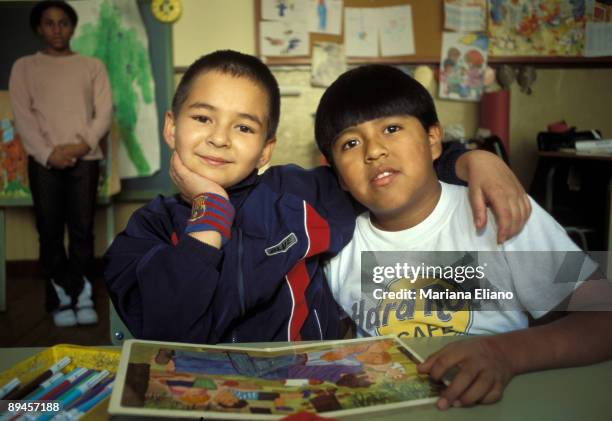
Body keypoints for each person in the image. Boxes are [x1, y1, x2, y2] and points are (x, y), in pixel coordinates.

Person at [104, 50, 529, 345]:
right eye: (202, 118)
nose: (219, 138)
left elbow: (384, 170)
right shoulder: (145, 231)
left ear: (265, 150)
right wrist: (209, 209)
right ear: (171, 127)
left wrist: (470, 159)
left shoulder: (300, 195)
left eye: (244, 127)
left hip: (302, 390)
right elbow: (166, 330)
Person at [315, 64, 612, 409]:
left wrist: (505, 353)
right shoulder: (337, 244)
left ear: (432, 139)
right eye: (350, 142)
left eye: (392, 128)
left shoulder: (498, 209)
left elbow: (603, 317)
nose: (373, 150)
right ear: (338, 176)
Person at [9, 0, 112, 327]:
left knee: (82, 229)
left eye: (63, 22)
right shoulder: (24, 66)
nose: (57, 29)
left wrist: (81, 144)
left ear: (72, 27)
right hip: (44, 161)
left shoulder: (91, 65)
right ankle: (59, 296)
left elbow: (104, 111)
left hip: (86, 159)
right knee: (50, 229)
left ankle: (81, 293)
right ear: (39, 28)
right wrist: (49, 152)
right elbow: (23, 117)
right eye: (49, 23)